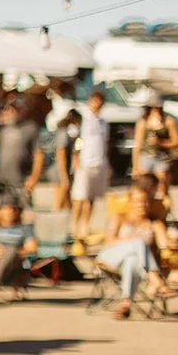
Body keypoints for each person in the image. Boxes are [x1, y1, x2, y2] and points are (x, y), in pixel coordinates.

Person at [96, 182, 173, 318]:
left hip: (137, 265)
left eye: (145, 202)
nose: (141, 205)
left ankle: (125, 304)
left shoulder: (155, 224)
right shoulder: (119, 218)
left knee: (132, 260)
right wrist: (133, 243)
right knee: (138, 243)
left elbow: (164, 245)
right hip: (110, 258)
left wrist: (173, 240)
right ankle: (155, 279)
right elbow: (109, 242)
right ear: (130, 201)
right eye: (137, 201)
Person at [71, 89, 113, 252]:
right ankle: (74, 227)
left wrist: (107, 164)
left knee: (92, 197)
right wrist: (76, 159)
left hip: (99, 162)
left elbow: (105, 144)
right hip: (84, 162)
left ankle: (85, 227)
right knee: (79, 197)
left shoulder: (103, 122)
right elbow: (76, 140)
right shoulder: (83, 119)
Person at [131, 90, 178, 199]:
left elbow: (176, 141)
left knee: (162, 189)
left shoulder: (168, 121)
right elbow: (137, 145)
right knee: (144, 187)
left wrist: (161, 143)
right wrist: (135, 166)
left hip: (162, 157)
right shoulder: (143, 122)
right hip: (145, 157)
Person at [0, 98, 43, 204]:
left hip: (21, 181)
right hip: (2, 181)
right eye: (8, 110)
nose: (11, 113)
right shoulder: (3, 129)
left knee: (22, 213)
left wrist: (34, 178)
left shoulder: (30, 128)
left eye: (14, 110)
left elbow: (38, 154)